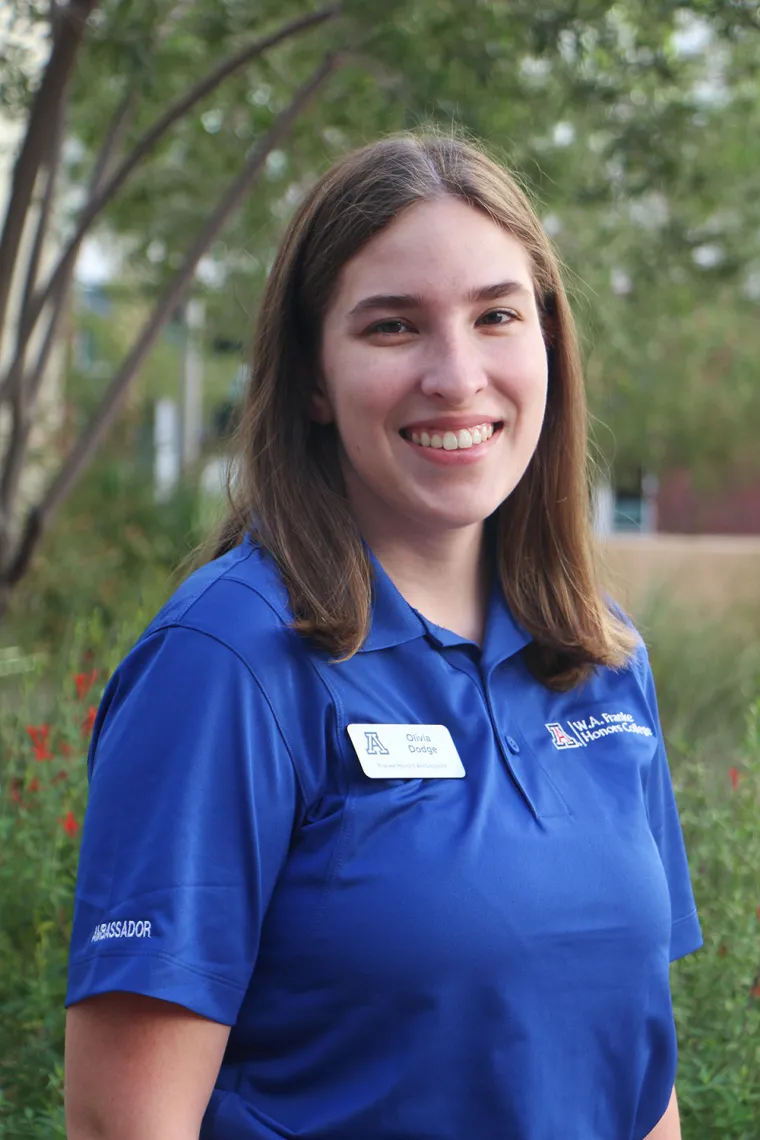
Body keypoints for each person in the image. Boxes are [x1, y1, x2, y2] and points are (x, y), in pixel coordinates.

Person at [64, 132, 701, 1140]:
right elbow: (122, 1124)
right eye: (394, 327)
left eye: (496, 315)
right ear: (314, 378)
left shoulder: (600, 657)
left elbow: (631, 1072)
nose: (456, 376)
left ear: (547, 343)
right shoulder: (228, 663)